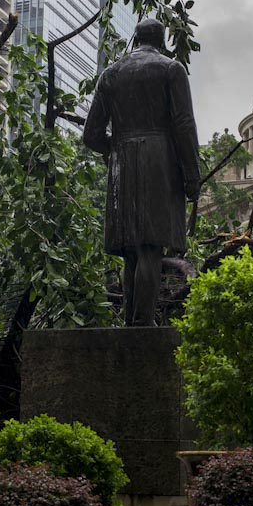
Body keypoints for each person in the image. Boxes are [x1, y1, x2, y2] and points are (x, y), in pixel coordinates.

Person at [82, 18, 201, 326]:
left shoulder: (111, 74)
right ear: (162, 41)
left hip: (122, 164)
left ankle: (131, 322)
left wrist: (115, 150)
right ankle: (142, 325)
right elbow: (184, 125)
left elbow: (91, 134)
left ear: (135, 40)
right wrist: (191, 174)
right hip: (159, 161)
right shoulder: (171, 69)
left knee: (132, 250)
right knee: (150, 246)